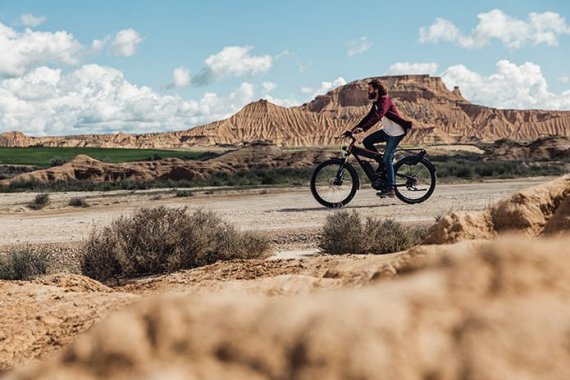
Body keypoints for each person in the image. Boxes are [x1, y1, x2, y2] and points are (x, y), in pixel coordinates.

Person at [350, 79, 412, 197]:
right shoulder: (376, 102)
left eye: (369, 89)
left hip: (396, 132)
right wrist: (354, 129)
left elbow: (379, 115)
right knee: (367, 141)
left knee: (387, 158)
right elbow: (368, 117)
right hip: (387, 131)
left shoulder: (384, 100)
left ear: (376, 89)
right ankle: (382, 165)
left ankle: (391, 188)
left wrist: (364, 129)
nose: (367, 92)